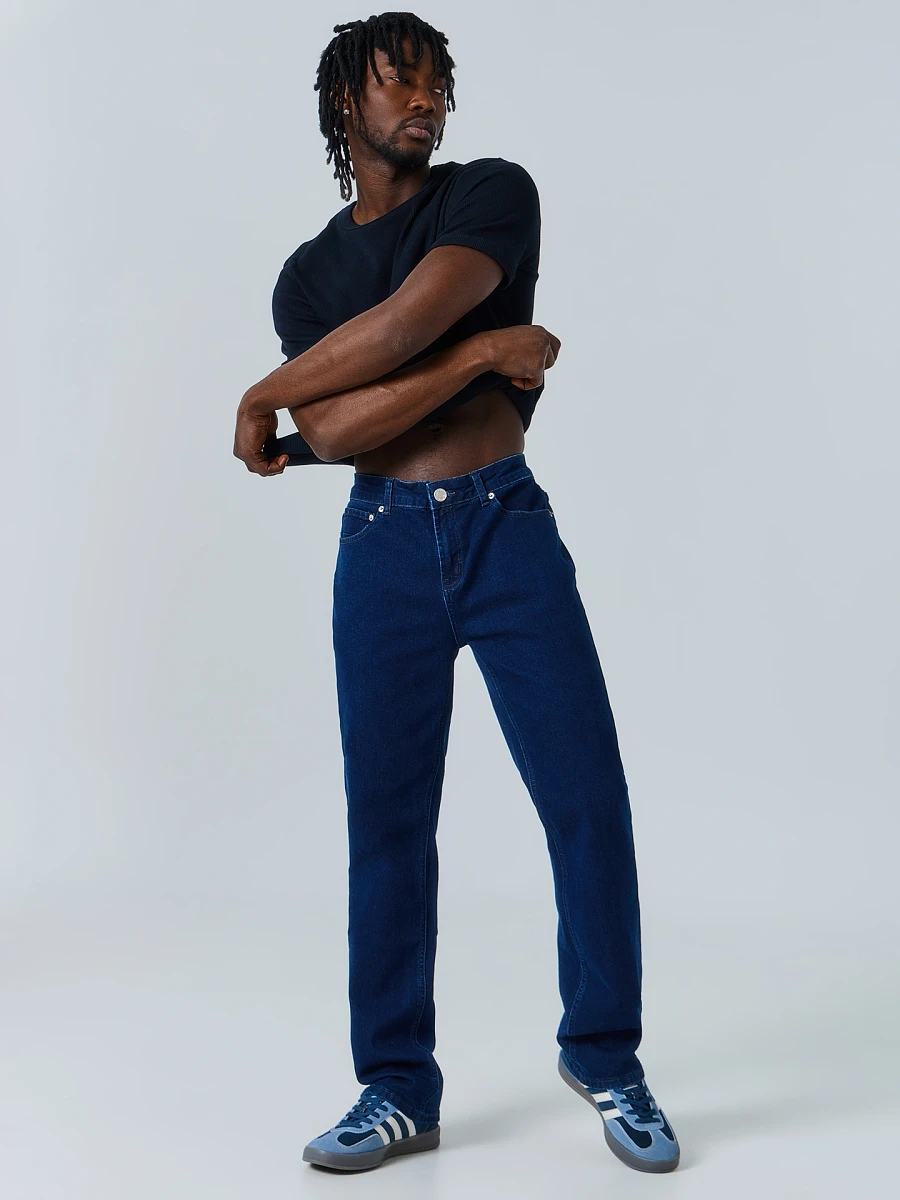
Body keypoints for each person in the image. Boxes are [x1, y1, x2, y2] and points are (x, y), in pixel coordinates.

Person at [232, 12, 680, 1175]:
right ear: (348, 102)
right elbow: (340, 426)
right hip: (381, 544)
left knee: (586, 798)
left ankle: (607, 1057)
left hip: (505, 527)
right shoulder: (307, 277)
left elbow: (406, 325)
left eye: (435, 81)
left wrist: (272, 395)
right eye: (399, 81)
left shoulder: (489, 193)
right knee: (387, 826)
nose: (423, 98)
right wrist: (477, 357)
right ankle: (396, 1089)